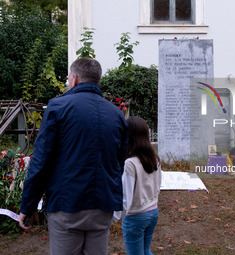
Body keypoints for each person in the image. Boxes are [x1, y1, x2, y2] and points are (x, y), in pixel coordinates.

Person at [19, 58, 128, 255]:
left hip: (67, 204)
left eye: (69, 78)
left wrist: (28, 204)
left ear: (75, 79)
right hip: (103, 205)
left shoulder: (57, 108)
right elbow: (119, 162)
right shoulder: (117, 114)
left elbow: (41, 161)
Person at [114, 116, 162, 255]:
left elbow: (125, 196)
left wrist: (115, 217)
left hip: (135, 216)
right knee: (146, 250)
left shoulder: (130, 163)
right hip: (153, 212)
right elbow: (158, 185)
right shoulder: (155, 158)